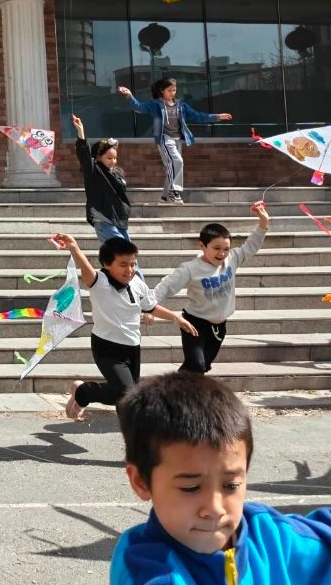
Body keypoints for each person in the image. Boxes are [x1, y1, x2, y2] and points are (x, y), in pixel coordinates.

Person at [111, 372, 331, 585]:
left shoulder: (271, 536)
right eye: (191, 487)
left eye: (231, 485)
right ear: (141, 481)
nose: (215, 508)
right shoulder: (148, 570)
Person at [55, 233, 197, 421]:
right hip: (106, 346)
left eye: (132, 264)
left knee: (127, 396)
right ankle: (84, 391)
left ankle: (123, 417)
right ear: (107, 264)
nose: (129, 270)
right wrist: (74, 247)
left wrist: (175, 317)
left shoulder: (137, 283)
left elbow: (151, 307)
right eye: (123, 265)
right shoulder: (99, 282)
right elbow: (85, 267)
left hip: (132, 346)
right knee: (125, 392)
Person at [151, 202, 269, 375]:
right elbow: (166, 286)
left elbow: (251, 245)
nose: (222, 253)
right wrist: (149, 307)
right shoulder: (190, 268)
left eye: (226, 249)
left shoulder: (232, 259)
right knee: (197, 366)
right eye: (216, 248)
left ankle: (172, 388)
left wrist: (263, 222)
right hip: (194, 324)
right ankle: (174, 389)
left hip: (219, 326)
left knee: (200, 367)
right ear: (202, 246)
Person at [118, 79, 231, 204]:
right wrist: (130, 96)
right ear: (162, 90)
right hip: (164, 139)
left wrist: (217, 116)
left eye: (174, 90)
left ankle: (166, 196)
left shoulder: (181, 105)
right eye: (169, 90)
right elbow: (139, 107)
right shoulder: (155, 104)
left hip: (177, 140)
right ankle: (174, 191)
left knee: (172, 166)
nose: (172, 93)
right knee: (177, 161)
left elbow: (197, 115)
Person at [72, 114, 132, 247]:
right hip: (103, 218)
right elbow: (84, 155)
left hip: (118, 219)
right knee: (120, 250)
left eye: (115, 158)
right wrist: (81, 131)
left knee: (127, 253)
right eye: (109, 158)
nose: (113, 161)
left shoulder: (117, 173)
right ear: (98, 157)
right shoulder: (94, 170)